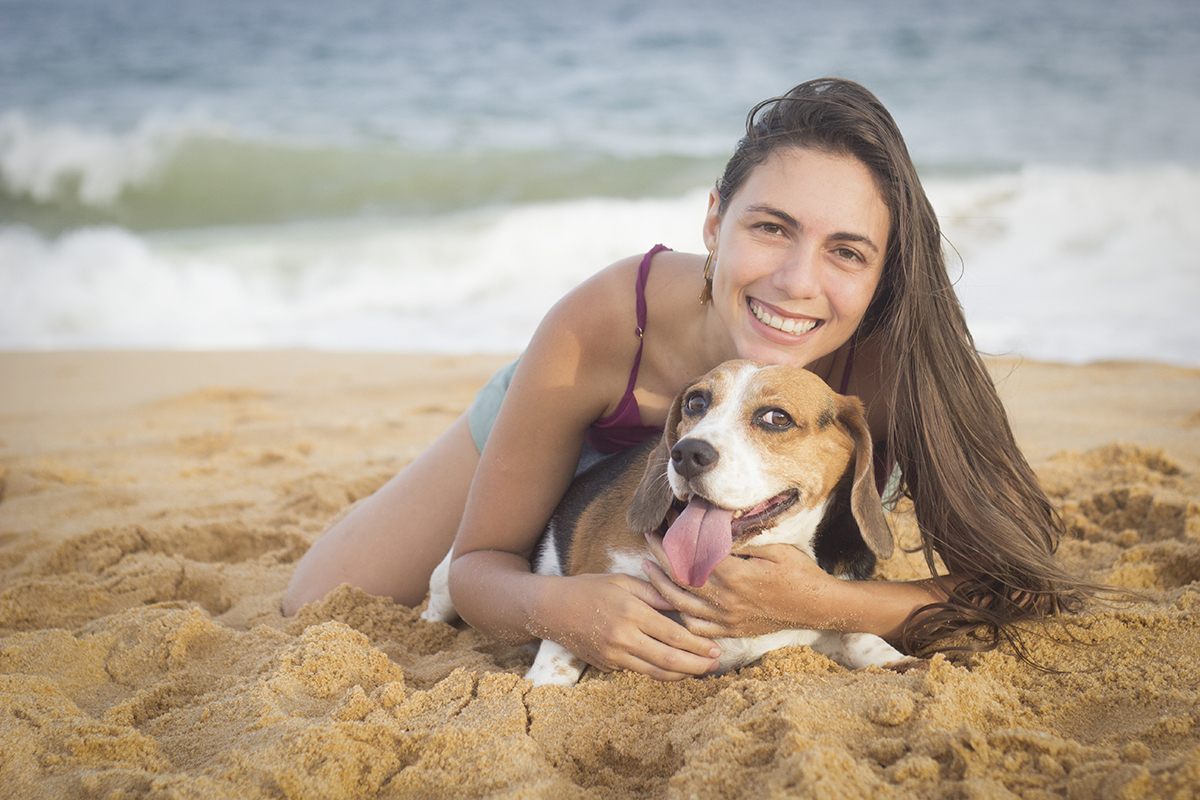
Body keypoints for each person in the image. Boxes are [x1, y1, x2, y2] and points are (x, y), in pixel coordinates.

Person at [283, 78, 1091, 678]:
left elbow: (1013, 586)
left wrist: (825, 606)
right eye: (771, 229)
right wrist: (559, 606)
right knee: (318, 597)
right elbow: (478, 567)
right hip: (570, 412)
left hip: (753, 496)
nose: (796, 283)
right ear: (714, 221)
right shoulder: (602, 320)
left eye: (846, 251)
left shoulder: (902, 373)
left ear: (883, 272)